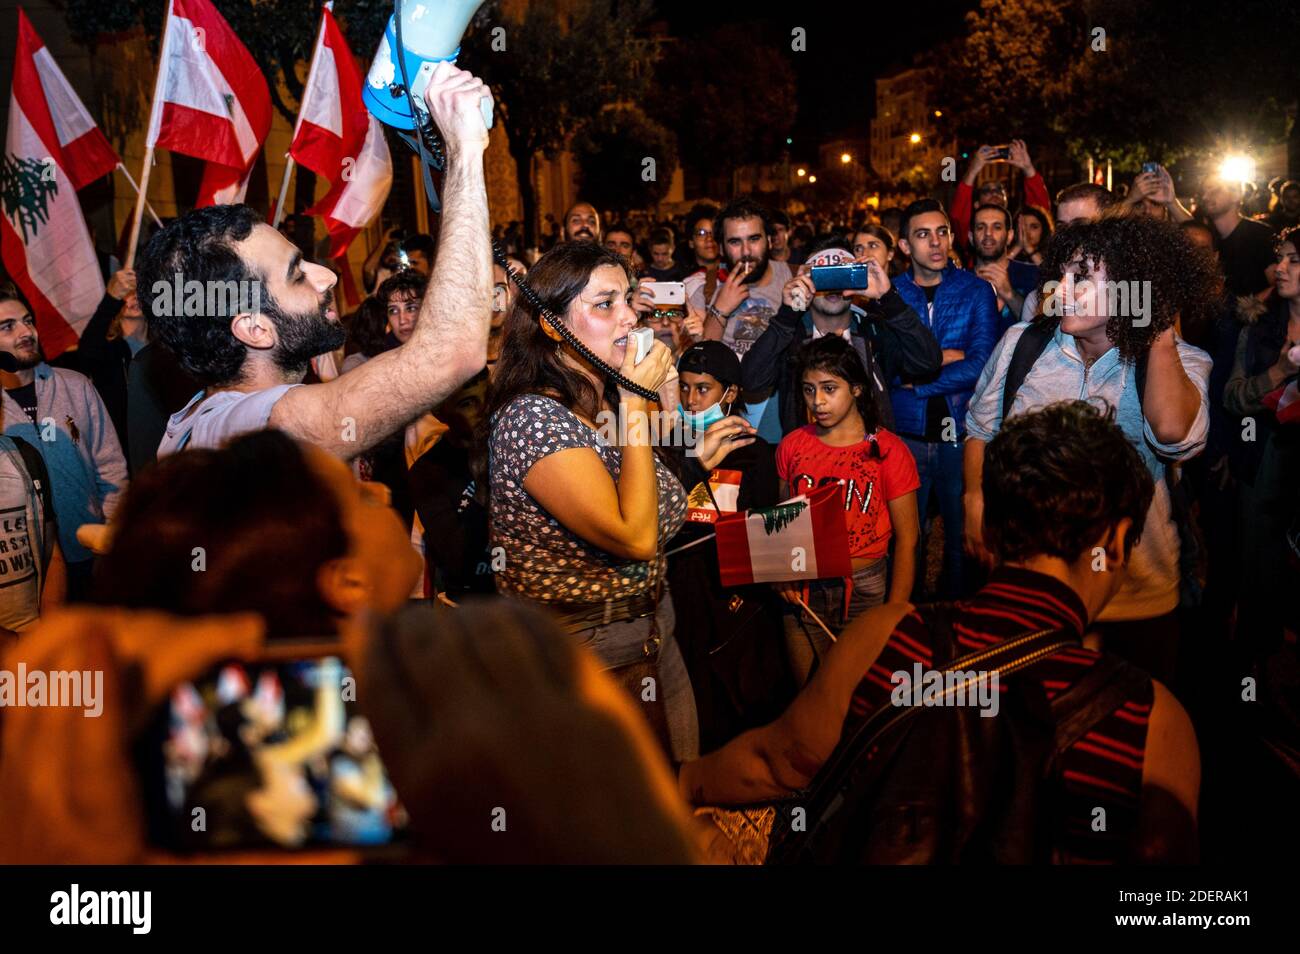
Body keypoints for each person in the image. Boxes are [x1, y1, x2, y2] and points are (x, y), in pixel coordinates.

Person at [679, 401, 1200, 864]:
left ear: (988, 527)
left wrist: (676, 779)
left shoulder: (887, 636)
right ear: (1115, 542)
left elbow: (774, 764)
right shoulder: (1150, 719)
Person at [136, 61, 492, 459]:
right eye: (296, 275)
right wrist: (464, 150)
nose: (327, 277)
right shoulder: (243, 431)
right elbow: (452, 353)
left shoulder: (213, 415)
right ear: (255, 329)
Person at [964, 215, 1216, 686]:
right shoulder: (1023, 344)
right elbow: (980, 425)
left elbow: (1174, 437)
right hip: (1030, 592)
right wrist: (974, 500)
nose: (1062, 287)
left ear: (1131, 287)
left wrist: (1155, 326)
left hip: (1136, 597)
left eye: (1082, 276)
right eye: (1061, 273)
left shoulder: (1182, 361)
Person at [485, 240, 699, 762]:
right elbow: (634, 535)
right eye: (605, 305)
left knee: (680, 799)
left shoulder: (599, 399)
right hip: (589, 653)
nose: (629, 317)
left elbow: (657, 493)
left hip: (651, 631)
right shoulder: (533, 421)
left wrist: (659, 402)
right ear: (553, 326)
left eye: (628, 299)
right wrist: (633, 401)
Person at [663, 341, 793, 751]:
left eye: (703, 389)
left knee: (742, 695)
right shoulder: (667, 448)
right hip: (680, 589)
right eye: (684, 388)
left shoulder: (755, 453)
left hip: (737, 597)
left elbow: (766, 534)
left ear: (730, 394)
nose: (691, 399)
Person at [776, 336, 920, 683]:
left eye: (829, 388)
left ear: (856, 389)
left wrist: (895, 611)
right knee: (809, 697)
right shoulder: (793, 445)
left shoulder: (888, 450)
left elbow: (909, 540)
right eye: (809, 390)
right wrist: (781, 573)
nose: (818, 401)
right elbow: (782, 523)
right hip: (804, 589)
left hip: (865, 586)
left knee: (857, 696)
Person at [890, 198, 998, 600]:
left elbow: (982, 365)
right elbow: (886, 370)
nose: (936, 243)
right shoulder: (892, 295)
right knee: (906, 542)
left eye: (942, 232)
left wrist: (918, 381)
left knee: (963, 542)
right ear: (904, 246)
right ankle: (906, 626)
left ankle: (962, 631)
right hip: (906, 437)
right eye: (922, 234)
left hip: (962, 435)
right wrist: (945, 358)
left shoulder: (975, 290)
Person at [742, 232, 941, 436]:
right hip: (806, 459)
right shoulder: (791, 337)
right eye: (824, 276)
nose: (833, 287)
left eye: (841, 275)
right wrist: (787, 314)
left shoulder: (873, 332)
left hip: (871, 456)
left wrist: (888, 298)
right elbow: (751, 380)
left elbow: (928, 362)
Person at [0, 284, 127, 601]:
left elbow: (110, 467)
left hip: (89, 549)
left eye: (28, 321)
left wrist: (111, 537)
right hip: (24, 571)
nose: (26, 332)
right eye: (7, 327)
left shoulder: (75, 385)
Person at [1223, 225, 1300, 663]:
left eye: (1292, 259)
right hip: (1264, 464)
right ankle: (1255, 686)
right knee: (1260, 576)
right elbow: (1232, 397)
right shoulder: (1257, 328)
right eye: (1279, 258)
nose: (1280, 268)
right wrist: (1277, 376)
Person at [409, 371, 494, 599]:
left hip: (523, 597)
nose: (484, 409)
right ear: (439, 411)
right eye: (467, 403)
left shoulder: (513, 441)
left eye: (489, 396)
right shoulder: (428, 472)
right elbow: (458, 560)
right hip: (473, 605)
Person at [686, 197, 793, 360]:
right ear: (721, 248)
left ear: (770, 241)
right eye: (735, 242)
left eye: (754, 239)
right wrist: (719, 310)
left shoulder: (794, 277)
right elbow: (705, 363)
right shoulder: (705, 288)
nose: (746, 251)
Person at [952, 141, 1052, 255]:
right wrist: (973, 170)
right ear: (976, 204)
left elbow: (1040, 211)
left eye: (999, 189)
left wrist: (1028, 168)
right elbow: (959, 215)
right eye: (987, 191)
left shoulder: (1017, 227)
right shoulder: (972, 231)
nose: (994, 193)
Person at [1197, 171, 1277, 297]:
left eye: (1213, 191)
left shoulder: (1259, 234)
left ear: (1236, 195)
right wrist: (1171, 202)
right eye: (1204, 192)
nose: (1205, 197)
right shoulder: (1209, 237)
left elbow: (1278, 285)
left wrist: (1249, 307)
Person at [970, 204, 1040, 337]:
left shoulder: (1033, 275)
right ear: (970, 237)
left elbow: (1043, 330)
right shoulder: (958, 281)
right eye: (980, 227)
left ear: (1009, 236)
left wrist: (1009, 294)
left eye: (997, 227)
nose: (988, 234)